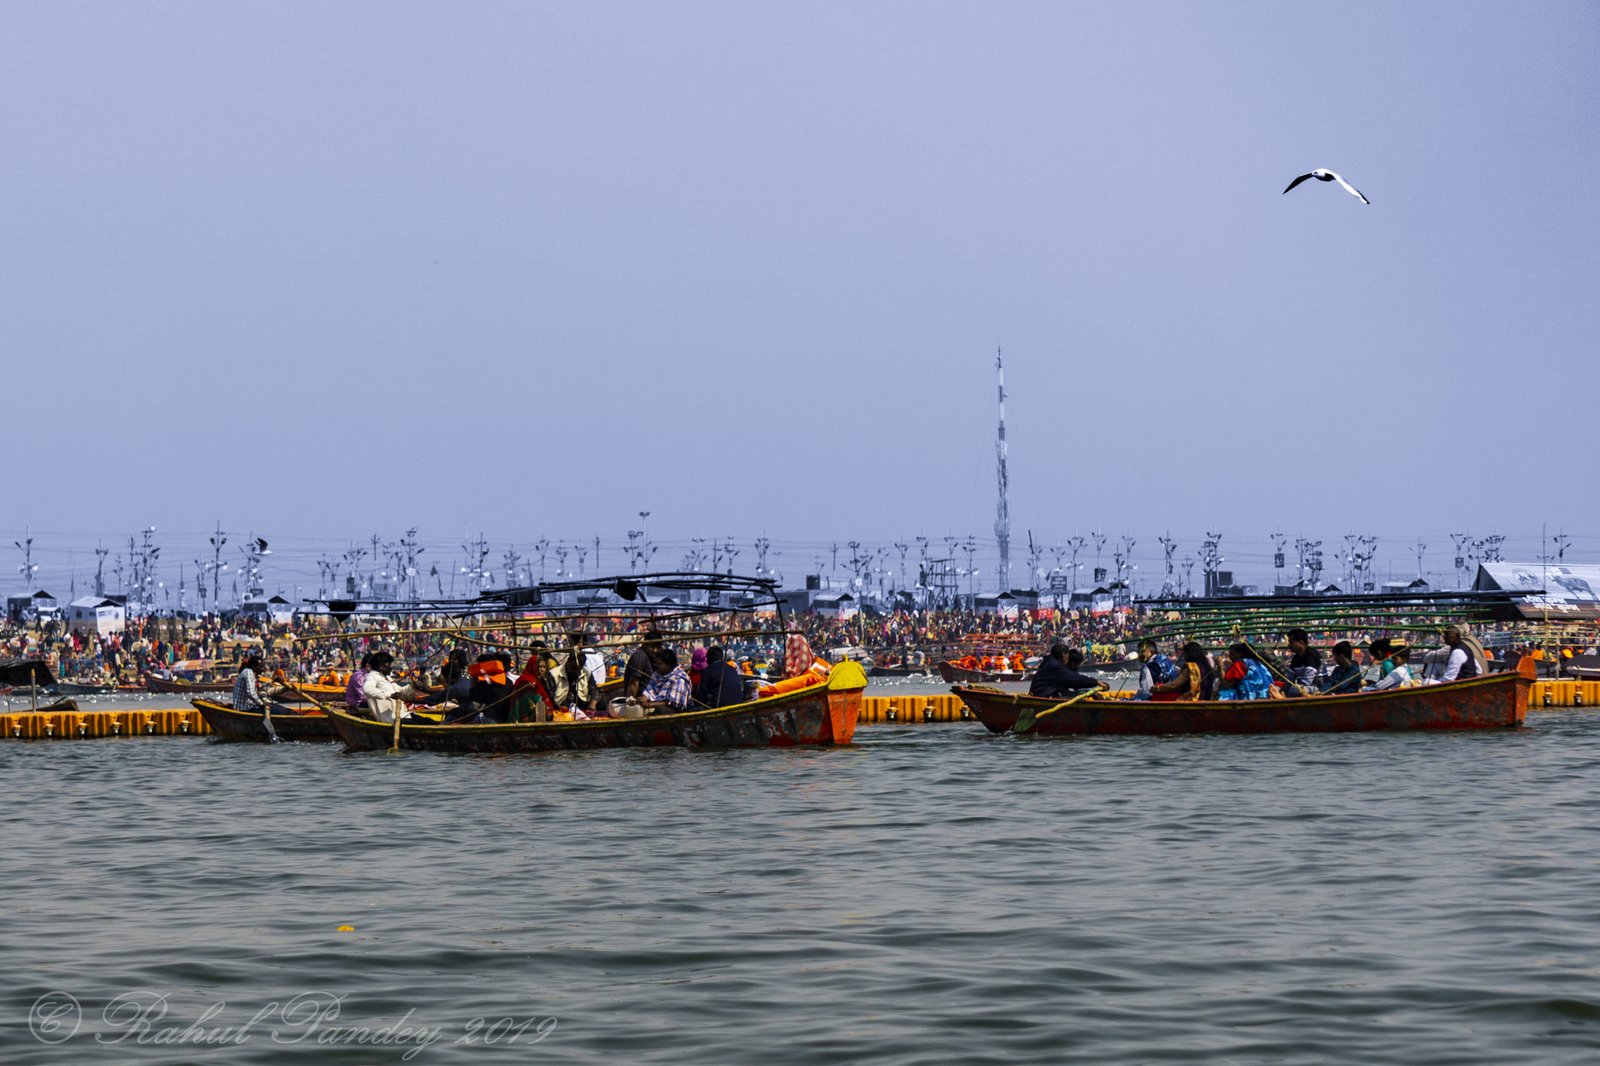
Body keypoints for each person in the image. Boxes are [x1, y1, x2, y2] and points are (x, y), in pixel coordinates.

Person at [361, 651, 424, 722]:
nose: (391, 668)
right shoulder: (372, 676)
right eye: (389, 665)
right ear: (381, 666)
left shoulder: (387, 678)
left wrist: (413, 686)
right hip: (391, 719)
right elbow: (367, 689)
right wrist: (390, 695)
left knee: (428, 721)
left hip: (404, 715)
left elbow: (400, 691)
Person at [1028, 644, 1107, 698]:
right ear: (1064, 655)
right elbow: (1073, 679)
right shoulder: (1054, 666)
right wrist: (1096, 682)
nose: (1068, 659)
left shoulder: (1049, 663)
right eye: (1067, 656)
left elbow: (1070, 685)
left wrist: (1090, 693)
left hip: (1044, 695)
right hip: (1043, 696)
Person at [692, 645, 747, 709]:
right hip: (738, 706)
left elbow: (701, 697)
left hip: (718, 708)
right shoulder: (732, 669)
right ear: (721, 658)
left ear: (708, 659)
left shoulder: (707, 672)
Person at [640, 648, 691, 715]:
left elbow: (671, 702)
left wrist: (649, 705)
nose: (655, 665)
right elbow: (648, 690)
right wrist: (643, 698)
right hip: (653, 706)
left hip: (672, 712)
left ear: (669, 664)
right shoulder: (656, 674)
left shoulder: (679, 678)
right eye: (655, 663)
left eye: (659, 664)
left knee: (660, 710)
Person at [623, 631, 663, 700]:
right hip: (640, 699)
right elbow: (634, 682)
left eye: (658, 648)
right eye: (652, 647)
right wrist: (630, 702)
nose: (655, 650)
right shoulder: (640, 656)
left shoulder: (653, 657)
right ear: (644, 644)